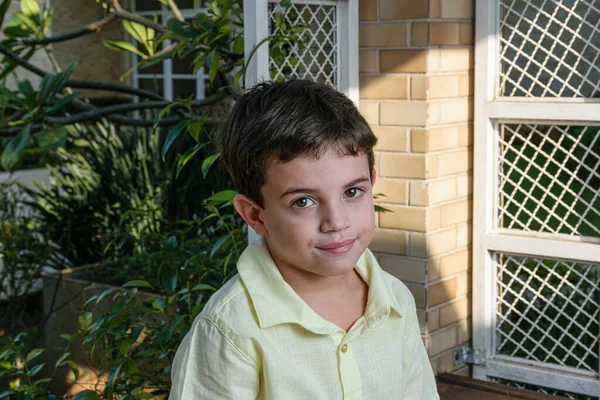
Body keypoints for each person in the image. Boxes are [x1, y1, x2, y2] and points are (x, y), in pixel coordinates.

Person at [169, 79, 439, 399]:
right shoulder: (231, 330)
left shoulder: (395, 301)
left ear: (372, 182)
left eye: (352, 192)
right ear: (256, 215)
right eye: (303, 202)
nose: (336, 222)